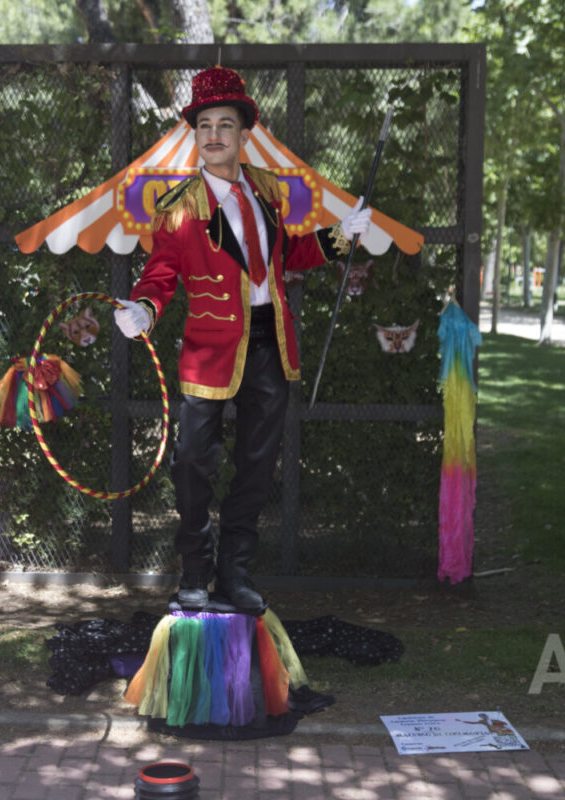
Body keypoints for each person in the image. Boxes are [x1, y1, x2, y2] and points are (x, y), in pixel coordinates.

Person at [113, 66, 372, 615]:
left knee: (257, 466)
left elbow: (287, 259)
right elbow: (160, 274)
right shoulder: (179, 208)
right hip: (207, 353)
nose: (212, 135)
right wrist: (143, 306)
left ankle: (235, 572)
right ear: (196, 134)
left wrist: (339, 235)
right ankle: (195, 569)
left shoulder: (268, 192)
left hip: (269, 347)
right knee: (191, 466)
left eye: (224, 124)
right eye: (203, 125)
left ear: (242, 132)